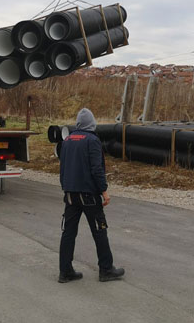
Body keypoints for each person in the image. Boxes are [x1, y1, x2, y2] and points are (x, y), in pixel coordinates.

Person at [58, 108, 125, 283]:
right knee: (100, 231)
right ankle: (106, 269)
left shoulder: (67, 140)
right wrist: (104, 190)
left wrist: (66, 188)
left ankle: (65, 271)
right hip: (89, 195)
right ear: (91, 124)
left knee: (68, 233)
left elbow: (62, 168)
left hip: (71, 195)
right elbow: (97, 169)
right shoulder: (93, 141)